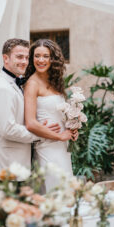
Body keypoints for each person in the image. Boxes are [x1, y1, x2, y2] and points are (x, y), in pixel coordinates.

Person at [0, 38, 60, 182]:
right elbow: (8, 129)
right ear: (5, 58)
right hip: (8, 167)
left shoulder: (16, 82)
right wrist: (42, 135)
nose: (24, 62)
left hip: (20, 165)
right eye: (19, 57)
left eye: (27, 57)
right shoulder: (2, 88)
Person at [24, 39, 78, 192]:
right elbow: (31, 123)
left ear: (52, 59)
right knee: (55, 191)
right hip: (47, 147)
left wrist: (72, 129)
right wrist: (60, 136)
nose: (41, 60)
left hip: (62, 148)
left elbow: (59, 113)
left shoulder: (55, 81)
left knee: (66, 190)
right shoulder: (32, 84)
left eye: (45, 56)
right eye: (37, 56)